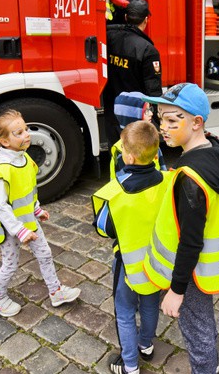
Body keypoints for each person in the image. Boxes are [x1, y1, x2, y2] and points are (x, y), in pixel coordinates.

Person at [142, 83, 219, 374]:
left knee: (194, 323)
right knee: (202, 319)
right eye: (160, 117)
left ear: (196, 122)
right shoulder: (213, 147)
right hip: (204, 268)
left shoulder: (190, 178)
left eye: (172, 120)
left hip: (190, 272)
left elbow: (191, 241)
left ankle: (205, 368)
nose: (163, 127)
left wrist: (177, 290)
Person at [0, 109, 81, 317]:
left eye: (26, 129)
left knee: (45, 254)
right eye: (18, 133)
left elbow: (28, 190)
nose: (26, 134)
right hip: (9, 229)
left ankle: (56, 292)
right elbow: (1, 206)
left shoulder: (25, 161)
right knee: (10, 266)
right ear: (5, 141)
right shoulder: (2, 171)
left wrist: (36, 209)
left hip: (28, 223)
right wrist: (19, 230)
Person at [92, 121, 171, 374]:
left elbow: (103, 228)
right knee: (149, 305)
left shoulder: (115, 191)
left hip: (127, 263)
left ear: (128, 155)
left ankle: (129, 365)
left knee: (125, 312)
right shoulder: (166, 181)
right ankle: (146, 345)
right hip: (155, 261)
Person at [104, 0, 163, 147]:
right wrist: (159, 118)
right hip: (135, 117)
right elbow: (153, 90)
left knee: (117, 154)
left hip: (112, 113)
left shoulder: (109, 37)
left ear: (125, 18)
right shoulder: (148, 50)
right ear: (146, 20)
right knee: (136, 158)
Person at [108, 91, 167, 179]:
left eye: (150, 109)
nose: (151, 113)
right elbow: (124, 185)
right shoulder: (122, 152)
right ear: (133, 118)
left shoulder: (153, 142)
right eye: (146, 110)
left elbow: (163, 171)